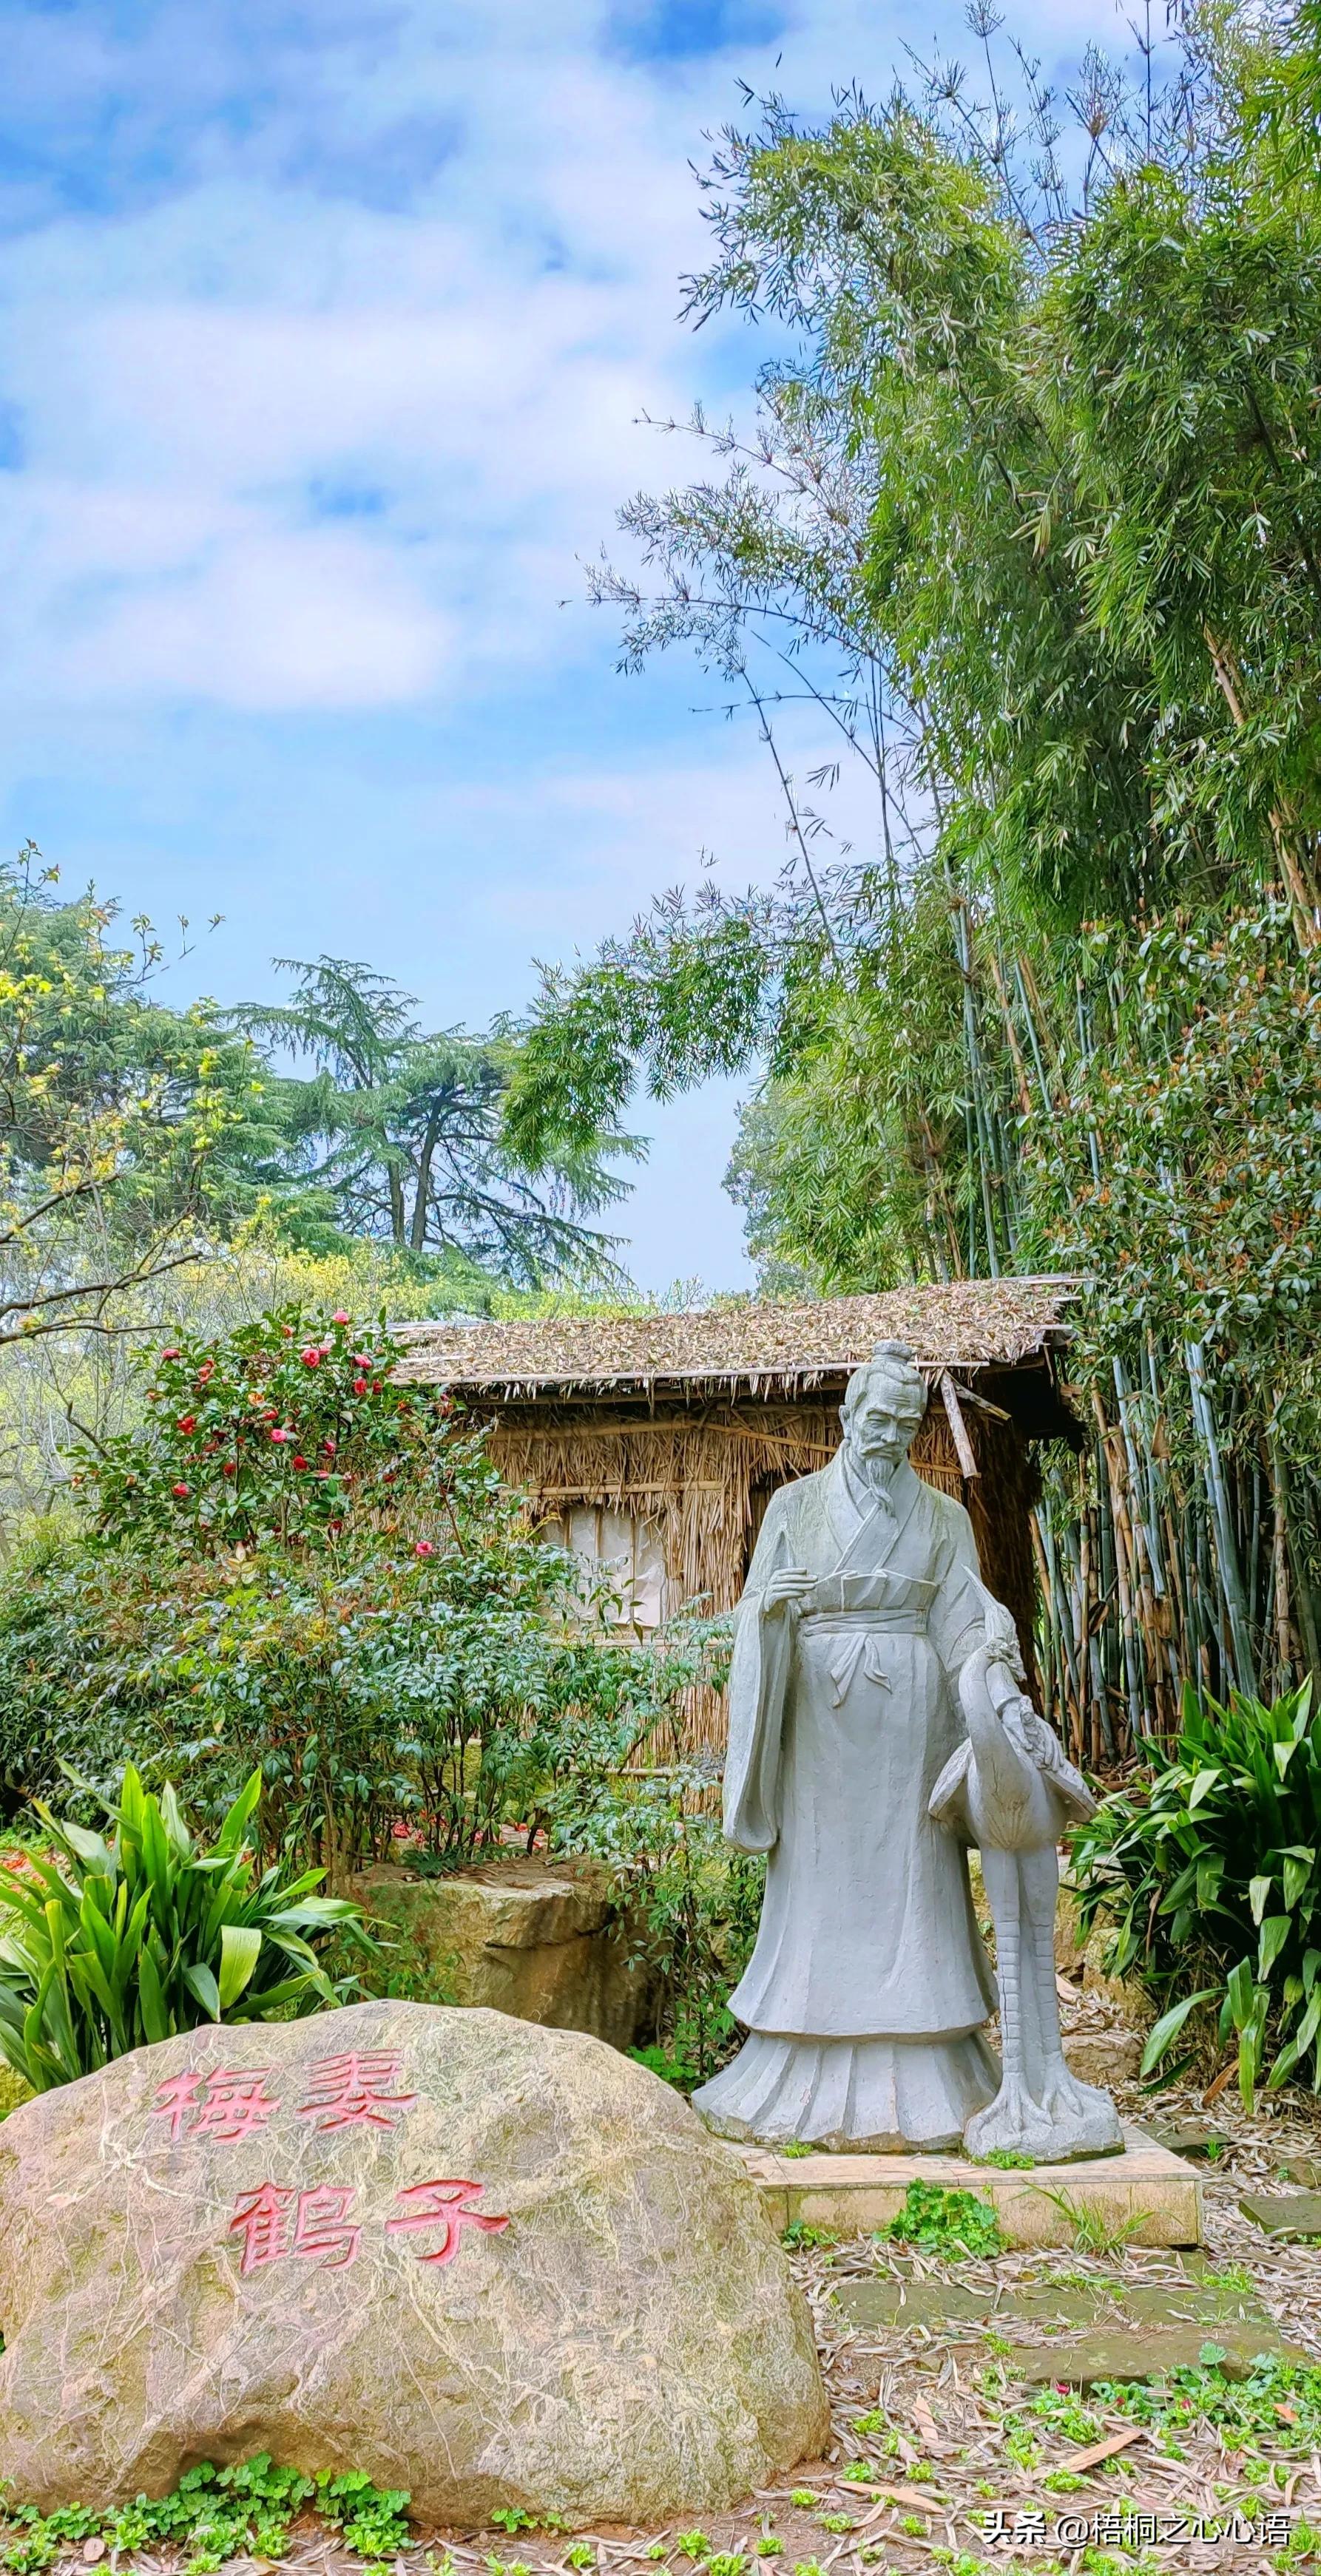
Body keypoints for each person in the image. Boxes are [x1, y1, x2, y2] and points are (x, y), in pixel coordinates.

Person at [692, 1339, 1000, 2151]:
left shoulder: (942, 1515)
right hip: (818, 1724)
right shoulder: (794, 1508)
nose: (888, 1433)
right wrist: (768, 1617)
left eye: (905, 1420)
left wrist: (990, 1685)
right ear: (846, 1414)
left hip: (911, 1725)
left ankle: (933, 2057)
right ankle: (798, 2050)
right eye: (876, 1416)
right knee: (820, 1872)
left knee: (912, 1869)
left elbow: (967, 1621)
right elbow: (756, 1614)